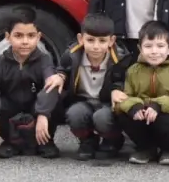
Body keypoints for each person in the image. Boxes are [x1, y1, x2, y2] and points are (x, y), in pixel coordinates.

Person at [0, 6, 63, 159]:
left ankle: (46, 141)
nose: (25, 41)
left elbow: (50, 82)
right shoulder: (0, 61)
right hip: (11, 107)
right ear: (8, 37)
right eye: (18, 36)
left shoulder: (44, 59)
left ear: (38, 37)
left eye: (30, 36)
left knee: (55, 90)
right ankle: (11, 142)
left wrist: (43, 114)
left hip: (34, 106)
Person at [52, 13, 134, 161]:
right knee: (74, 114)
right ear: (80, 39)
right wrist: (60, 76)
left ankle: (112, 140)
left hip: (107, 103)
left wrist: (118, 89)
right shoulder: (71, 55)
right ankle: (88, 141)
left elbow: (124, 79)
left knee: (102, 117)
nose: (96, 46)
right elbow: (63, 69)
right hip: (84, 101)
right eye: (90, 40)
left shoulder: (121, 59)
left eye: (102, 41)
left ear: (111, 41)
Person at [114, 20, 169, 165]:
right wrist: (134, 106)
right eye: (148, 46)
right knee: (125, 114)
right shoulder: (133, 71)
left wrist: (158, 105)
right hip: (145, 117)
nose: (154, 51)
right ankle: (146, 148)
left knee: (164, 120)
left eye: (160, 46)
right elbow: (124, 98)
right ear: (140, 48)